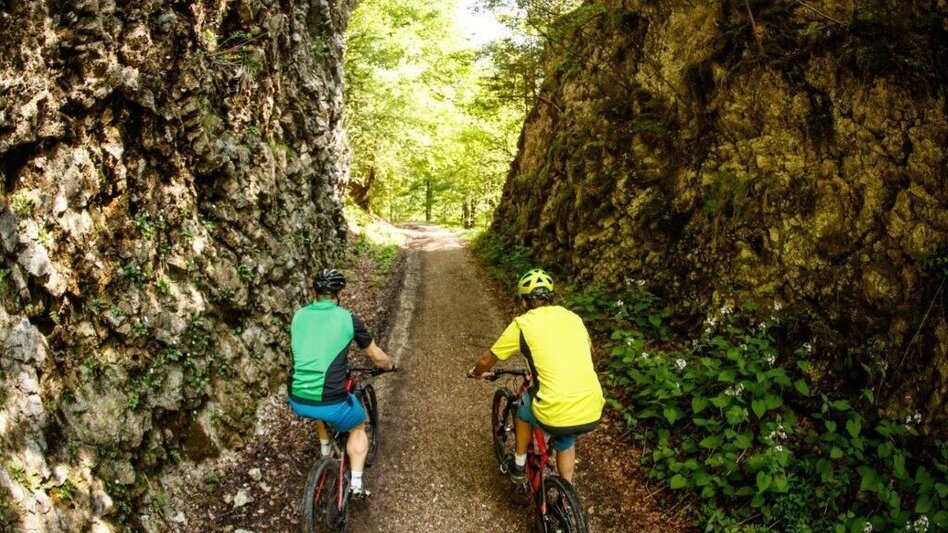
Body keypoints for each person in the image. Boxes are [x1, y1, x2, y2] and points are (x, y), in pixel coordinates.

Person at [469, 268, 604, 483]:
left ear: (524, 301)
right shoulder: (574, 318)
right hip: (592, 406)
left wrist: (476, 373)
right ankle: (566, 491)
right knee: (566, 438)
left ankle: (518, 465)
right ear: (551, 297)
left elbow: (487, 360)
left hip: (556, 409)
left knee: (524, 405)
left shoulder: (523, 324)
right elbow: (585, 352)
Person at [288, 268, 395, 497]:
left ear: (313, 292)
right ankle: (356, 484)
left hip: (296, 397)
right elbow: (377, 356)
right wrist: (389, 366)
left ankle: (325, 448)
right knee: (358, 426)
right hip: (331, 400)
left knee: (318, 405)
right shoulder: (348, 318)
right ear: (339, 294)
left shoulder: (298, 316)